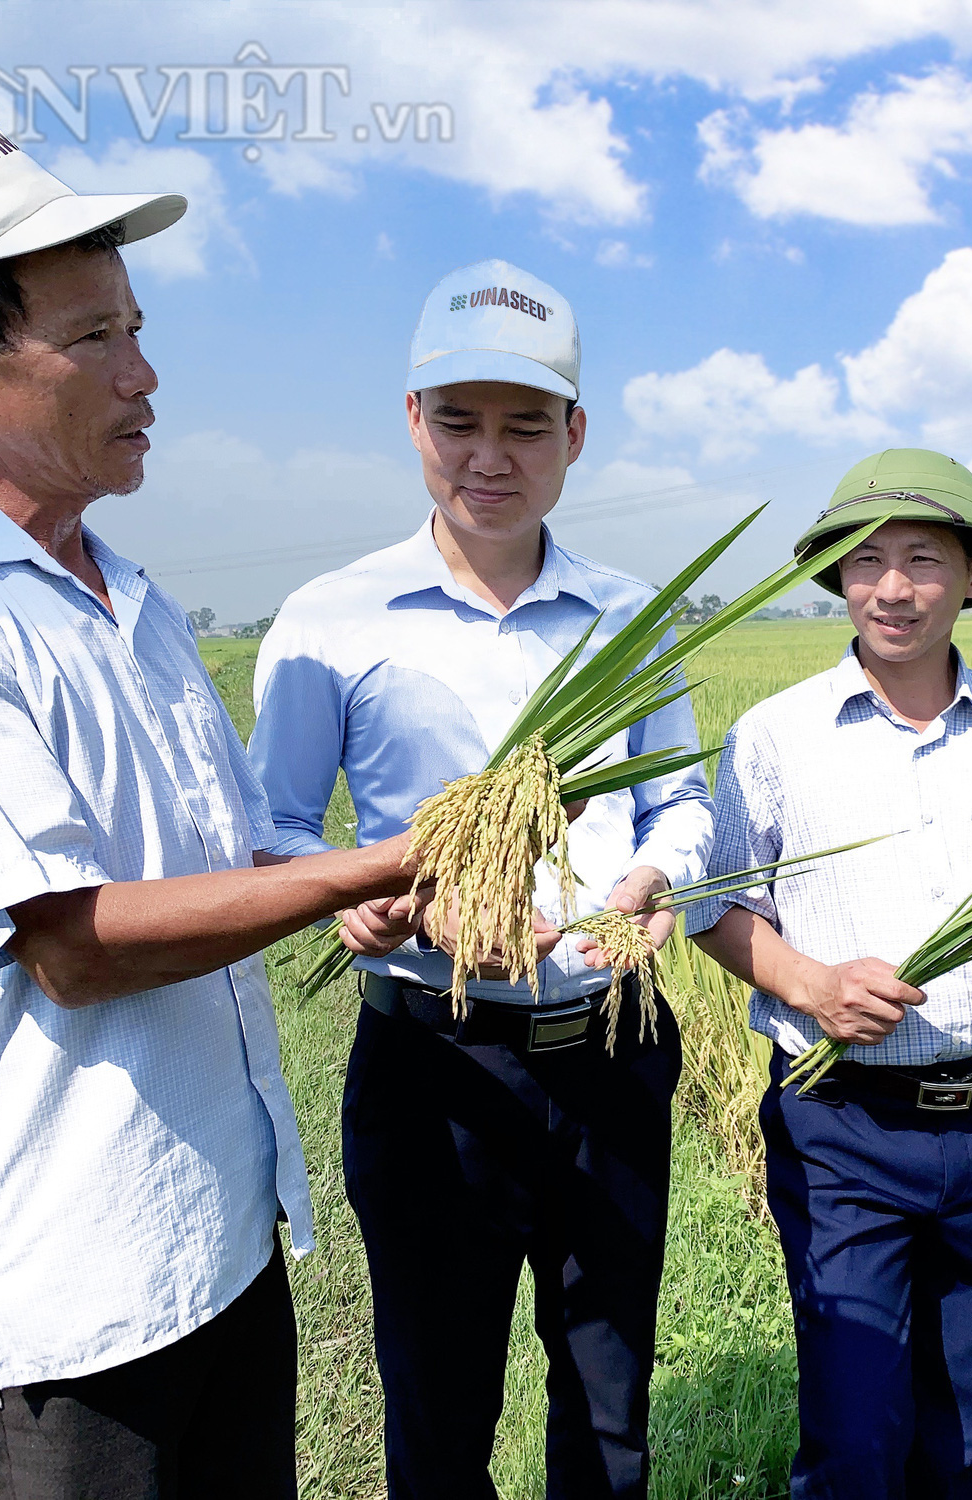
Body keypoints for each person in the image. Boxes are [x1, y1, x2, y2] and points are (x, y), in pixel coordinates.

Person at [0, 103, 432, 1498]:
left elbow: (234, 847)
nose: (146, 376)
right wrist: (356, 868)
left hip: (219, 1246)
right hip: (69, 1317)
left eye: (136, 329)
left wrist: (361, 883)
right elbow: (76, 943)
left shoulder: (128, 601)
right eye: (94, 340)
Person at [247, 259, 712, 1499]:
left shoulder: (630, 616)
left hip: (609, 1048)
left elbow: (682, 797)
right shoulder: (331, 620)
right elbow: (276, 829)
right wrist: (356, 897)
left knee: (608, 1403)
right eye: (457, 421)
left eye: (523, 426)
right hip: (430, 1060)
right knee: (437, 1407)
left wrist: (656, 881)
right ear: (412, 425)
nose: (487, 457)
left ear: (574, 436)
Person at [689, 449, 972, 1499]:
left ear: (971, 574)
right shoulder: (775, 735)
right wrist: (807, 983)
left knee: (963, 1426)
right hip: (841, 1125)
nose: (891, 586)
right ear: (834, 577)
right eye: (864, 560)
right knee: (852, 1424)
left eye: (921, 559)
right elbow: (715, 908)